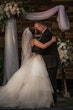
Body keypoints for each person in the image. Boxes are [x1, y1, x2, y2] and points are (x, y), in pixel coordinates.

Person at [0, 27, 56, 109]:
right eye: (36, 31)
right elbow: (43, 46)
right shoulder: (34, 41)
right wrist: (52, 40)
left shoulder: (29, 42)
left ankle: (34, 98)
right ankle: (34, 98)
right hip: (37, 60)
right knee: (37, 78)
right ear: (34, 33)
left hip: (33, 59)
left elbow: (29, 52)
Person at [34, 22, 60, 105]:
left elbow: (43, 49)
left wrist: (33, 49)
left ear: (41, 26)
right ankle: (51, 100)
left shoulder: (47, 34)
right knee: (50, 81)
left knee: (51, 81)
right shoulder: (46, 33)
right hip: (49, 60)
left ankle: (52, 101)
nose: (36, 29)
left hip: (51, 61)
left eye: (37, 27)